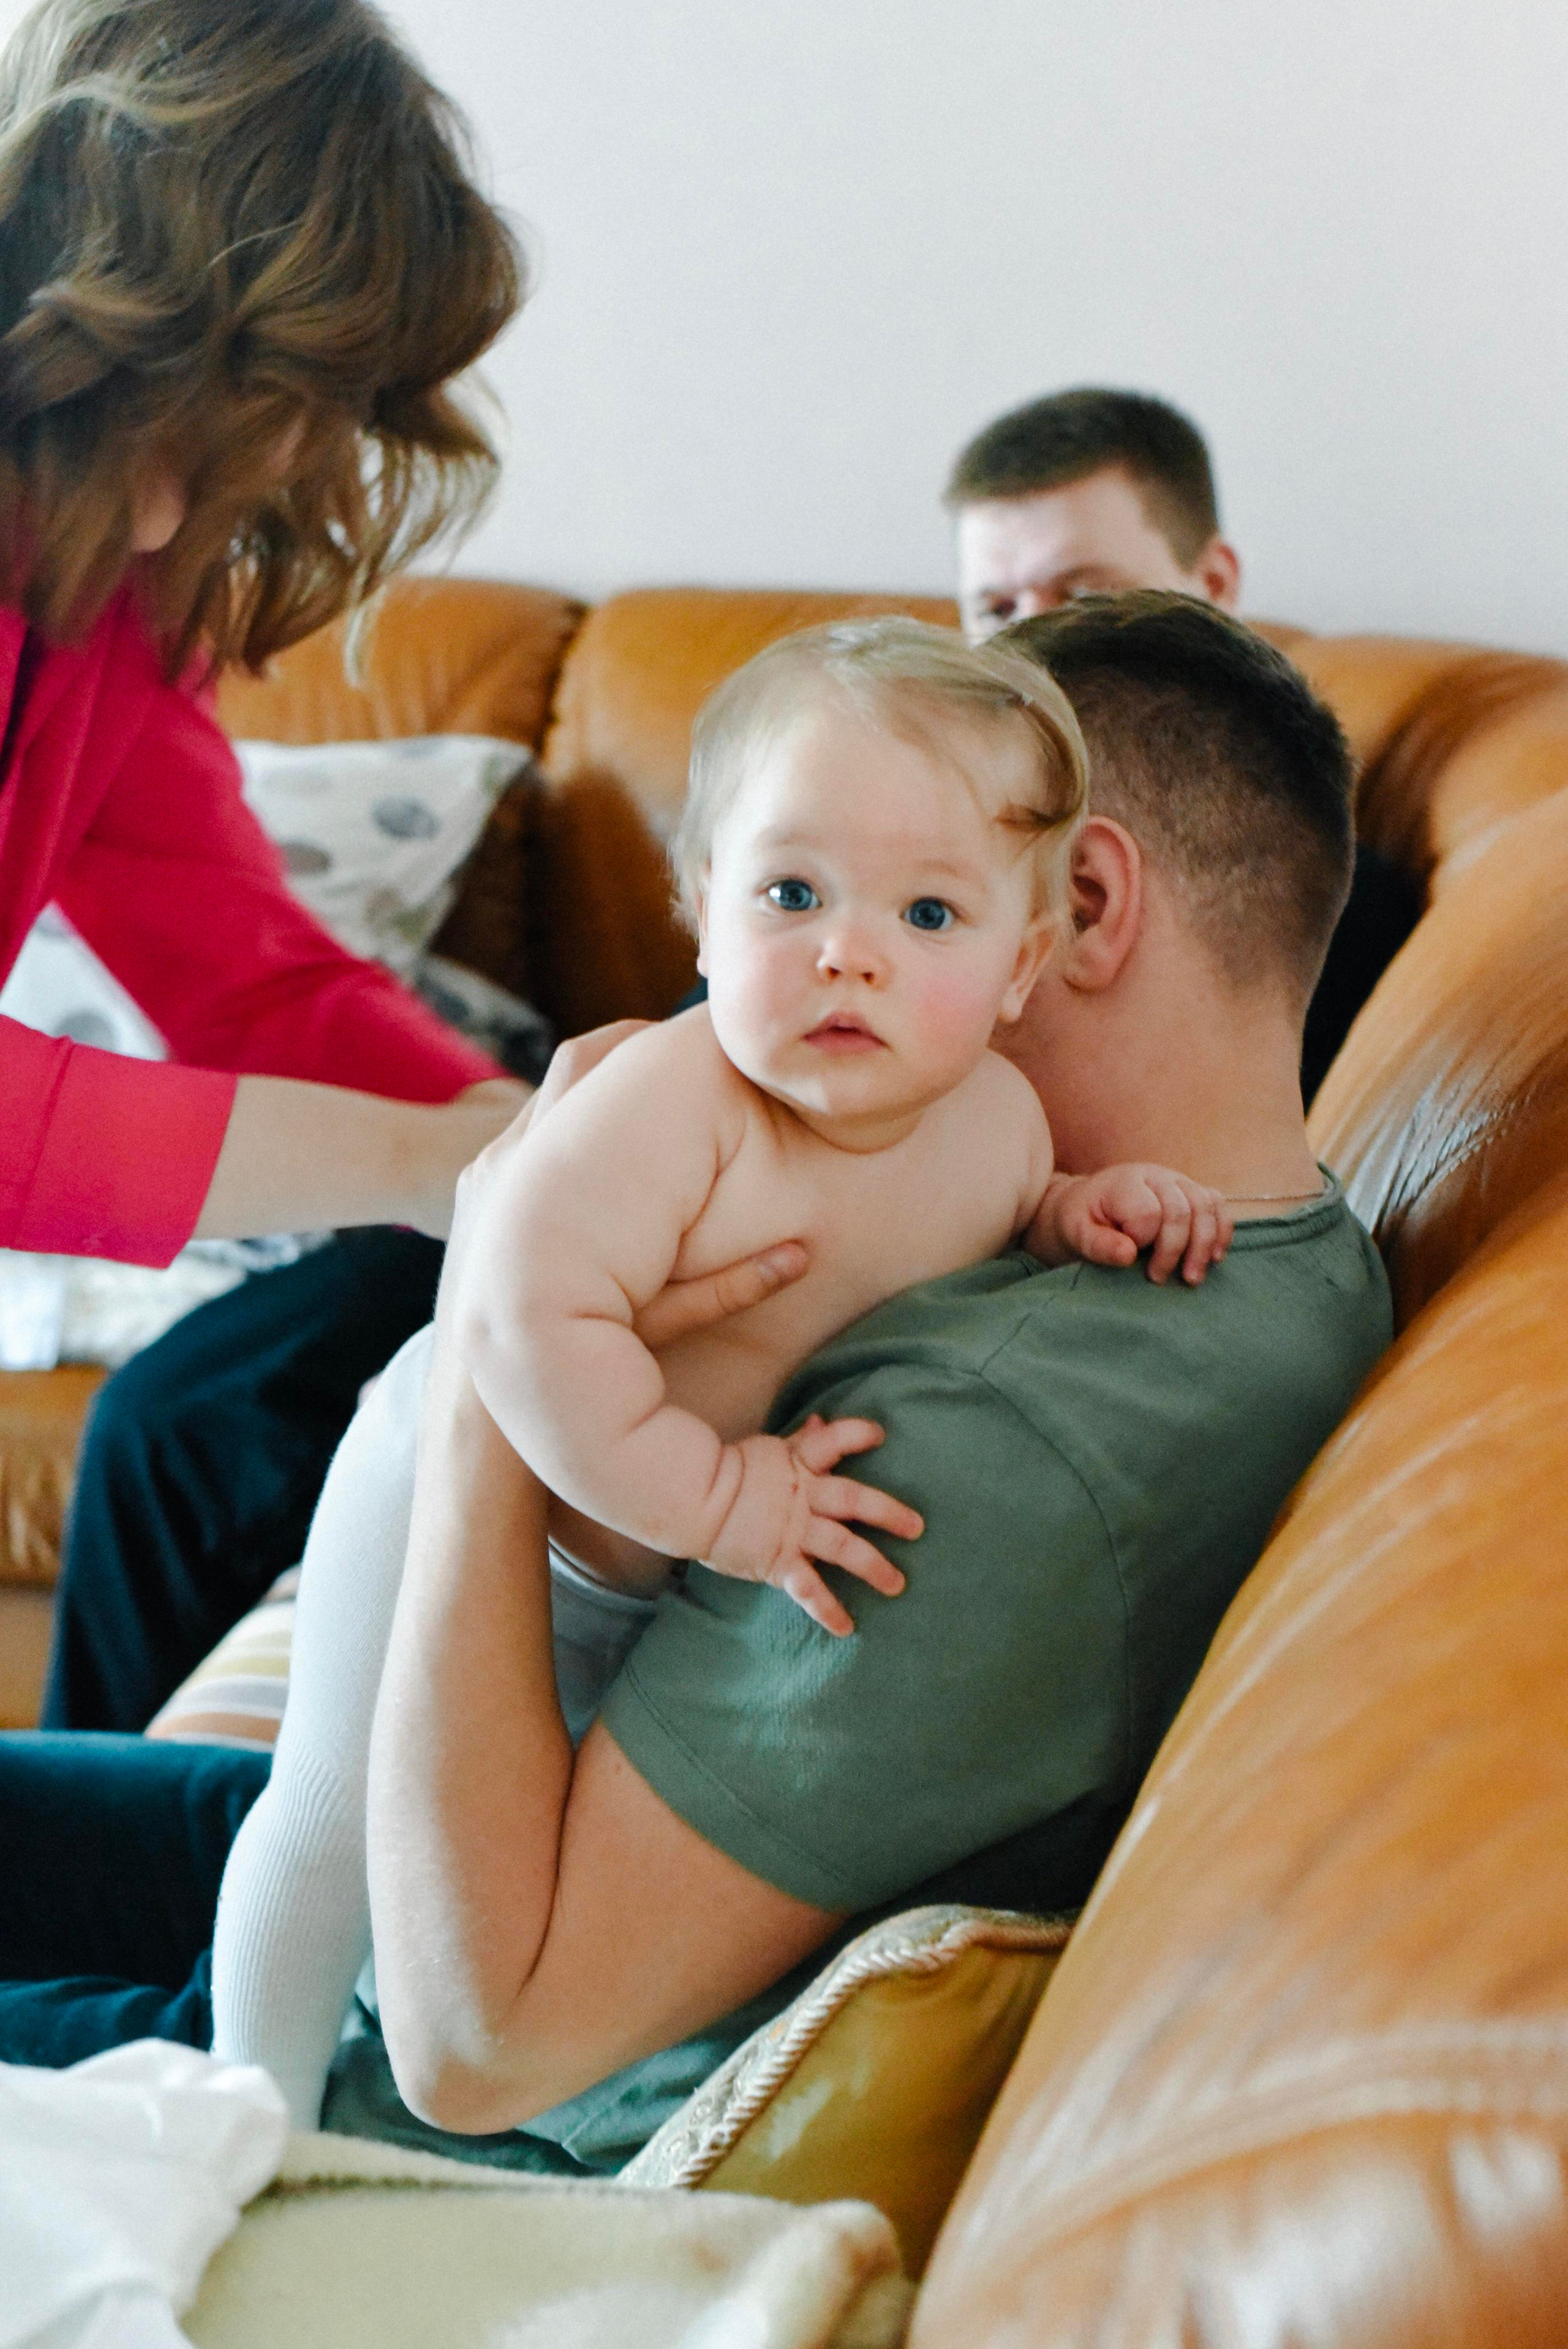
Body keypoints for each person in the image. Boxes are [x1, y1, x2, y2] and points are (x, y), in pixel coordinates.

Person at [0, 596, 1392, 2181]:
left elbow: (477, 2040)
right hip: (438, 1811)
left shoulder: (998, 1433)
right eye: (793, 892)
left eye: (923, 905)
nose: (837, 961)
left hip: (385, 2068)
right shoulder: (1274, 1238)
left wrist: (480, 1375)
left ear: (1065, 915)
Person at [0, 0, 528, 1732]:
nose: (276, 469)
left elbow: (249, 973)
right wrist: (428, 1161)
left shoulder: (113, 604)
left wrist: (535, 1149)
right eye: (244, 400)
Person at [945, 385, 1423, 1106]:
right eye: (997, 610)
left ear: (1213, 583)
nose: (1028, 648)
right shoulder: (907, 835)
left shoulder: (1325, 895)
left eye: (1081, 596)